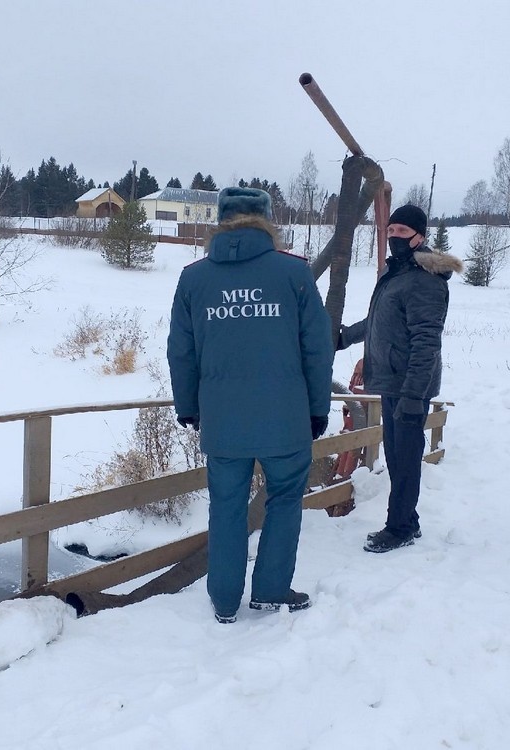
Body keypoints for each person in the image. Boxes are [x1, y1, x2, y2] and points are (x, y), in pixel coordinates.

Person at [167, 187, 334, 623]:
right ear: (266, 221)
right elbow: (317, 349)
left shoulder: (194, 278)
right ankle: (271, 590)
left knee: (225, 505)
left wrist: (189, 406)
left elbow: (180, 351)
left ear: (221, 221)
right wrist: (318, 409)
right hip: (286, 418)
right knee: (283, 500)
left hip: (222, 419)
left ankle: (224, 600)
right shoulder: (294, 273)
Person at [339, 205, 462, 553]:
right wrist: (345, 337)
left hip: (410, 386)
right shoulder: (396, 273)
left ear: (420, 236)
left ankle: (400, 528)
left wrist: (413, 395)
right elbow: (379, 321)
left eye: (402, 233)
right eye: (390, 231)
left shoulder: (425, 282)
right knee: (396, 456)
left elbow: (426, 344)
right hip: (393, 381)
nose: (394, 238)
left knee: (405, 459)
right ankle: (408, 521)